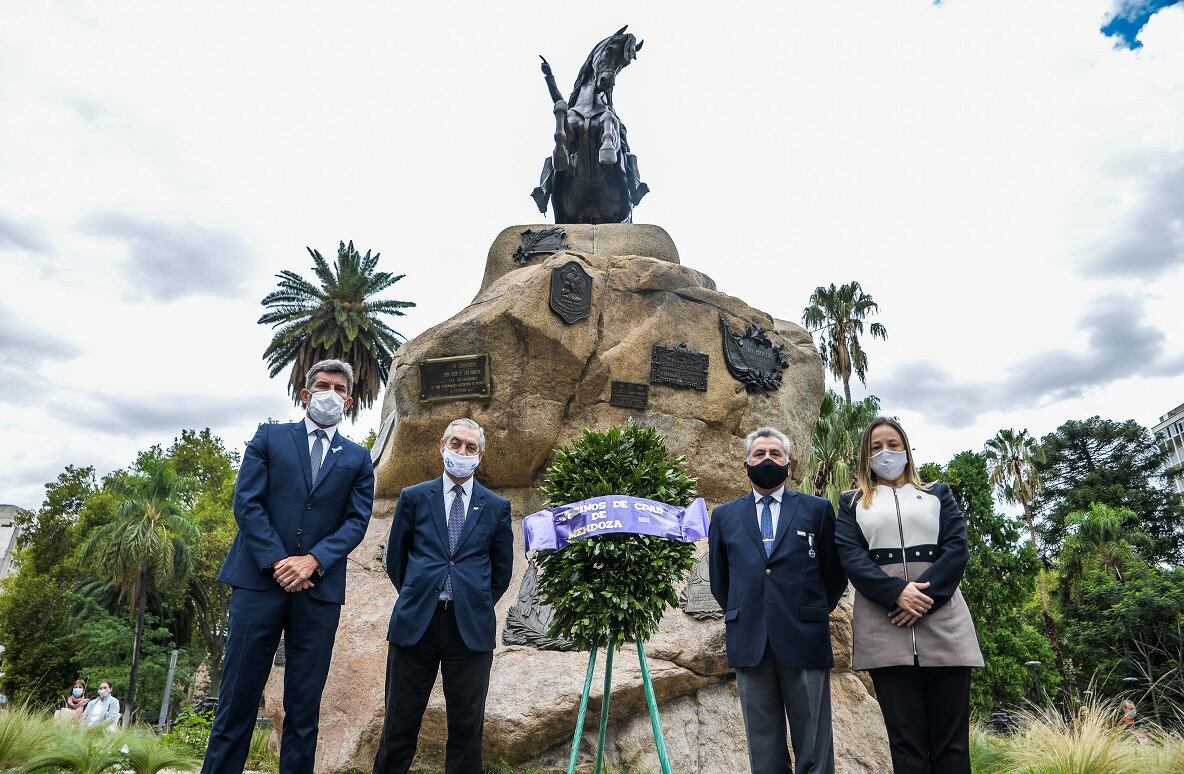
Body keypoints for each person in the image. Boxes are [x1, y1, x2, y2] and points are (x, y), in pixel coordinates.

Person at [203, 359, 375, 774]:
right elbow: (247, 502)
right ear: (305, 393)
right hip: (258, 583)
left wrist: (313, 561)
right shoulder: (270, 437)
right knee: (237, 699)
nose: (330, 393)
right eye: (322, 385)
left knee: (304, 705)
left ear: (349, 401)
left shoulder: (357, 457)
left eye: (339, 388)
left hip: (318, 592)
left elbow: (357, 520)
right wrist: (280, 560)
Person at [835, 417, 983, 774]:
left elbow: (956, 548)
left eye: (892, 445)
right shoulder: (851, 502)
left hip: (944, 624)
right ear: (865, 456)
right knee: (906, 745)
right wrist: (896, 593)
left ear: (906, 449)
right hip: (885, 626)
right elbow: (851, 556)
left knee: (952, 744)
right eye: (875, 447)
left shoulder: (937, 494)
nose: (885, 453)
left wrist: (921, 599)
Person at [373, 418, 514, 774]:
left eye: (470, 447)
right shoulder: (414, 497)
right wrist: (421, 595)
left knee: (467, 731)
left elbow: (501, 573)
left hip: (469, 630)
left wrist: (471, 601)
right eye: (456, 444)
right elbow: (397, 561)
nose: (462, 452)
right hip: (415, 625)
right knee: (398, 725)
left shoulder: (496, 507)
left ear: (480, 456)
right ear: (442, 446)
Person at [708, 427, 847, 774]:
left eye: (775, 454)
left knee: (814, 748)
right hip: (750, 642)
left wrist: (808, 611)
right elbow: (719, 580)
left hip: (805, 638)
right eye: (759, 454)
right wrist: (751, 611)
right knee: (764, 749)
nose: (767, 460)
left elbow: (834, 574)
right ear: (746, 463)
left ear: (788, 463)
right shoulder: (724, 516)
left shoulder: (817, 510)